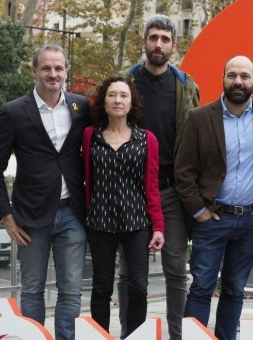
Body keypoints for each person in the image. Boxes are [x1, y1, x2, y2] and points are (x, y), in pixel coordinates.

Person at [0, 44, 91, 340]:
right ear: (34, 71)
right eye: (46, 68)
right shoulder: (13, 112)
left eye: (58, 68)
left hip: (73, 213)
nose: (53, 74)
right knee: (31, 290)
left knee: (70, 292)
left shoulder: (81, 107)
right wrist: (6, 217)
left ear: (66, 71)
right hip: (30, 218)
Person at [174, 55, 253, 340]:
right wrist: (198, 211)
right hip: (212, 218)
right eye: (232, 75)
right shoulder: (199, 118)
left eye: (245, 76)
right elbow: (183, 171)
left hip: (251, 219)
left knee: (235, 288)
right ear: (223, 79)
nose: (238, 81)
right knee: (201, 287)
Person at [118, 14, 199, 340]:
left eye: (165, 39)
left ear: (174, 45)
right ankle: (130, 334)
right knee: (129, 274)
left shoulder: (185, 85)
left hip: (170, 191)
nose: (158, 44)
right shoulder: (125, 83)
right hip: (131, 192)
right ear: (144, 42)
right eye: (153, 38)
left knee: (177, 271)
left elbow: (195, 140)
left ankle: (177, 336)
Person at [82, 75, 165, 335]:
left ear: (132, 103)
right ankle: (101, 335)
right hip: (100, 222)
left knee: (138, 286)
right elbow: (84, 177)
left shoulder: (146, 139)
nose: (118, 100)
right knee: (101, 287)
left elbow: (152, 185)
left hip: (136, 222)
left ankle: (134, 335)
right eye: (112, 95)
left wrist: (158, 226)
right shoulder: (89, 136)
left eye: (123, 95)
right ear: (103, 102)